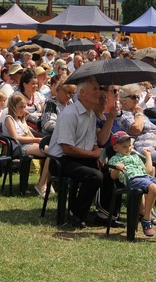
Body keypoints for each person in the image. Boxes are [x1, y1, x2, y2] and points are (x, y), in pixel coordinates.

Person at [48, 76, 119, 228]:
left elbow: (93, 142)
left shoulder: (90, 114)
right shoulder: (69, 114)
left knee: (112, 172)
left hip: (78, 157)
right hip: (61, 160)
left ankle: (105, 214)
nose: (99, 93)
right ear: (82, 93)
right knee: (94, 176)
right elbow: (66, 148)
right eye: (94, 89)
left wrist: (96, 153)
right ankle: (77, 214)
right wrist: (93, 154)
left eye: (99, 89)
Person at [1, 93, 51, 198]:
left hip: (27, 145)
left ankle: (45, 182)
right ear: (13, 106)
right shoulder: (9, 119)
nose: (23, 110)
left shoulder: (22, 120)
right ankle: (41, 184)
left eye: (24, 107)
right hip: (17, 147)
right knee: (50, 151)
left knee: (52, 151)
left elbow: (30, 135)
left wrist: (38, 140)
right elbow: (16, 138)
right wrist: (37, 140)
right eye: (21, 107)